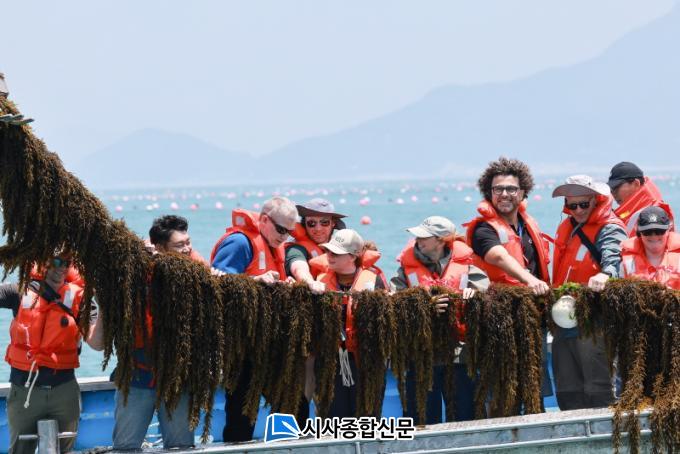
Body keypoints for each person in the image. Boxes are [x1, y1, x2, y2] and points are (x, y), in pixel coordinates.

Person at [112, 215, 206, 450]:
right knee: (125, 446)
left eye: (188, 242)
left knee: (181, 446)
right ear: (160, 248)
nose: (187, 249)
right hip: (137, 374)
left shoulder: (197, 272)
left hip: (178, 376)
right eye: (179, 245)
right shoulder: (136, 271)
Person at [465, 157, 553, 404]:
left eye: (511, 189)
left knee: (534, 386)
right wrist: (529, 280)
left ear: (522, 192)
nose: (505, 194)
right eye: (498, 189)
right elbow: (498, 256)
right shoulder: (484, 229)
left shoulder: (528, 225)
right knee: (502, 390)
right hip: (499, 316)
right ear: (489, 193)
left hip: (532, 315)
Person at [210, 197, 297, 442]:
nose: (285, 237)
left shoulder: (275, 245)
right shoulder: (239, 243)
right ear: (265, 220)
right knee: (241, 408)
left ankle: (288, 446)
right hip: (242, 344)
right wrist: (254, 281)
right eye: (281, 230)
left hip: (271, 342)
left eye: (290, 232)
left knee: (290, 400)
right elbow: (218, 285)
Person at [1, 252, 102, 454]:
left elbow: (97, 344)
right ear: (42, 262)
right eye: (56, 261)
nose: (62, 267)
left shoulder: (81, 299)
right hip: (24, 390)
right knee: (20, 450)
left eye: (67, 262)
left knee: (65, 450)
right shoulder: (20, 291)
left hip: (64, 390)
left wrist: (104, 307)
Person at [392, 216, 489, 424]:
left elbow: (485, 292)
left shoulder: (467, 264)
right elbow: (394, 303)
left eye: (424, 237)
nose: (418, 240)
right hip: (421, 353)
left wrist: (475, 295)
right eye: (417, 236)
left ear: (441, 240)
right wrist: (425, 307)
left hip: (460, 353)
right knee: (421, 418)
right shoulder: (405, 269)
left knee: (466, 414)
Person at [551, 175, 627, 410]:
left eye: (584, 204)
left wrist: (606, 274)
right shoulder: (568, 227)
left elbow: (615, 258)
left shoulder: (610, 227)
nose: (578, 210)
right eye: (572, 206)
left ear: (596, 200)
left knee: (599, 386)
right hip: (564, 318)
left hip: (595, 318)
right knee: (567, 387)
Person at [313, 229, 386, 418]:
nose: (329, 256)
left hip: (365, 363)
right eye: (328, 251)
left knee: (367, 417)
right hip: (330, 363)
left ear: (353, 256)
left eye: (336, 253)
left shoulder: (374, 282)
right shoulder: (319, 283)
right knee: (332, 420)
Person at [286, 198, 347, 290]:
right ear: (304, 224)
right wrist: (311, 283)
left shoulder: (341, 249)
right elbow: (298, 268)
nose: (318, 228)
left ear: (333, 223)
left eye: (324, 222)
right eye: (311, 223)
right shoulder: (296, 249)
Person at [607, 161, 674, 236]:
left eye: (616, 188)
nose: (613, 194)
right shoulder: (633, 211)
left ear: (636, 184)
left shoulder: (652, 214)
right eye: (611, 190)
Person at [621, 206, 680, 289]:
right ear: (639, 233)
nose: (654, 236)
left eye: (659, 231)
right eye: (647, 232)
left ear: (668, 230)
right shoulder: (625, 262)